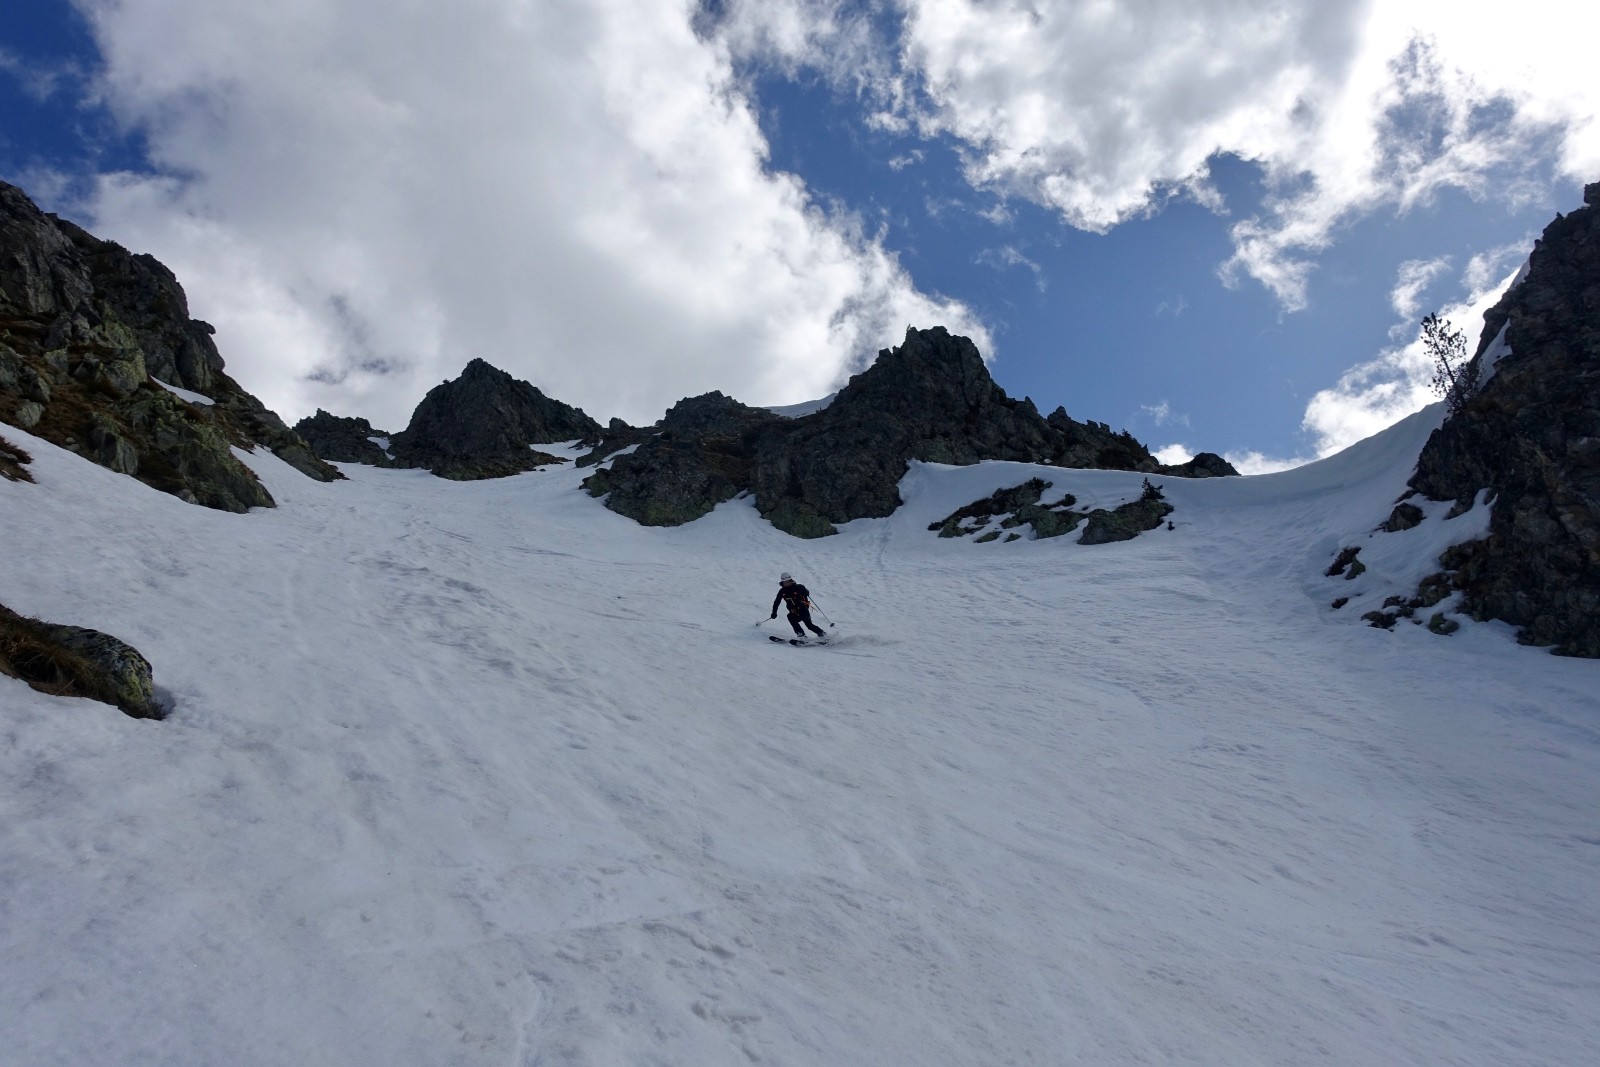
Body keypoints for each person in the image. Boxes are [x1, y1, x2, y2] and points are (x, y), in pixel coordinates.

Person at [770, 572, 827, 639]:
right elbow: (776, 602)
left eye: (787, 581)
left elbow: (807, 593)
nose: (786, 583)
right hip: (794, 611)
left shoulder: (799, 587)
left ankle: (823, 634)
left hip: (803, 610)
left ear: (791, 580)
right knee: (790, 616)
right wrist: (774, 612)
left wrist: (805, 592)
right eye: (784, 582)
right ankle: (801, 635)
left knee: (809, 625)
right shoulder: (782, 591)